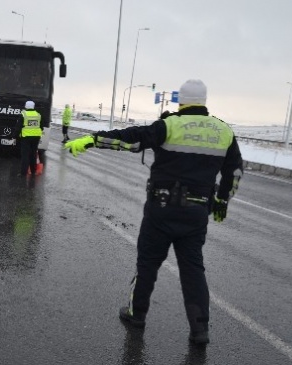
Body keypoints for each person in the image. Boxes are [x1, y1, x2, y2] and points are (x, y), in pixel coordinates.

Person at [63, 79, 243, 345]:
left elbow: (131, 141)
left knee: (148, 263)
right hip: (196, 212)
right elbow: (234, 172)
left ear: (181, 101)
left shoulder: (169, 125)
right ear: (204, 101)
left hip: (161, 209)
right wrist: (221, 200)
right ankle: (200, 329)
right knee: (193, 269)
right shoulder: (223, 131)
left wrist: (92, 140)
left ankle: (137, 314)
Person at [17, 100, 43, 176]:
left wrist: (15, 136)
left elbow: (18, 127)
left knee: (25, 155)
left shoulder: (23, 114)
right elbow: (41, 126)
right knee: (33, 155)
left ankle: (23, 173)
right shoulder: (38, 115)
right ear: (33, 106)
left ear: (26, 106)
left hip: (26, 138)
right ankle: (33, 171)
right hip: (36, 137)